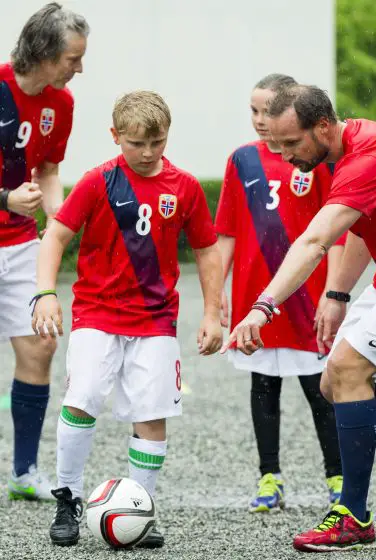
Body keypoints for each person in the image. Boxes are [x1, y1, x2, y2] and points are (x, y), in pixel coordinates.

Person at [221, 84, 376, 552]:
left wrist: (263, 307)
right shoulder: (347, 155)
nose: (284, 156)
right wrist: (339, 292)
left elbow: (314, 240)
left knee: (347, 371)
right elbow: (366, 226)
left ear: (322, 126)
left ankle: (353, 517)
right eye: (278, 146)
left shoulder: (370, 155)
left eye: (291, 143)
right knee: (333, 382)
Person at [32, 90, 223, 548]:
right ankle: (69, 497)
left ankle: (141, 508)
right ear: (115, 136)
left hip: (156, 321)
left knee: (152, 415)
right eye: (136, 143)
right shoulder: (99, 181)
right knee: (82, 399)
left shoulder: (186, 187)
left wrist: (214, 313)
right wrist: (44, 294)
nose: (148, 152)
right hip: (97, 313)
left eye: (157, 142)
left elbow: (207, 250)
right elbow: (56, 235)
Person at [215, 74, 344, 513]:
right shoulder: (241, 160)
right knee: (263, 386)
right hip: (257, 299)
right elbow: (226, 233)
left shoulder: (316, 161)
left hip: (307, 299)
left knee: (320, 389)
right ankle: (269, 477)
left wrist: (333, 290)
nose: (260, 120)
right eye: (253, 110)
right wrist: (217, 297)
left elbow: (338, 234)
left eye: (267, 110)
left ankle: (338, 478)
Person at [0, 2, 89, 500]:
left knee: (40, 345)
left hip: (18, 243)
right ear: (45, 52)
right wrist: (5, 198)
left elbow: (48, 172)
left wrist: (57, 225)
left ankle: (24, 474)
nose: (80, 67)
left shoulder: (63, 104)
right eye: (73, 58)